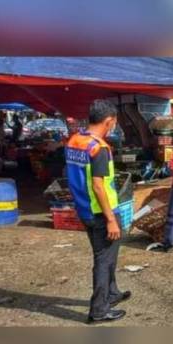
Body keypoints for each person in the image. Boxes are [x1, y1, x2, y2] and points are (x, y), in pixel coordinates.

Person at [65, 99, 130, 324]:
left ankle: (112, 292)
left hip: (84, 209)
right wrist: (111, 219)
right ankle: (99, 310)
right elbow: (98, 185)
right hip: (102, 212)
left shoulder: (74, 141)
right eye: (113, 123)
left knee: (106, 255)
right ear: (109, 121)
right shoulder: (99, 148)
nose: (113, 127)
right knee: (104, 259)